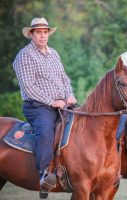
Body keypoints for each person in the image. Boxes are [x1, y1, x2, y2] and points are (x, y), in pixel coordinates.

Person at [13, 17, 77, 189]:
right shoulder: (24, 55)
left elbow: (64, 78)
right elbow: (28, 86)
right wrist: (52, 101)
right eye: (39, 32)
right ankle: (45, 173)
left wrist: (69, 95)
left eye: (45, 32)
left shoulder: (54, 53)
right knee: (46, 131)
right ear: (31, 34)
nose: (43, 36)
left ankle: (75, 168)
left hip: (62, 103)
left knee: (80, 125)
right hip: (38, 106)